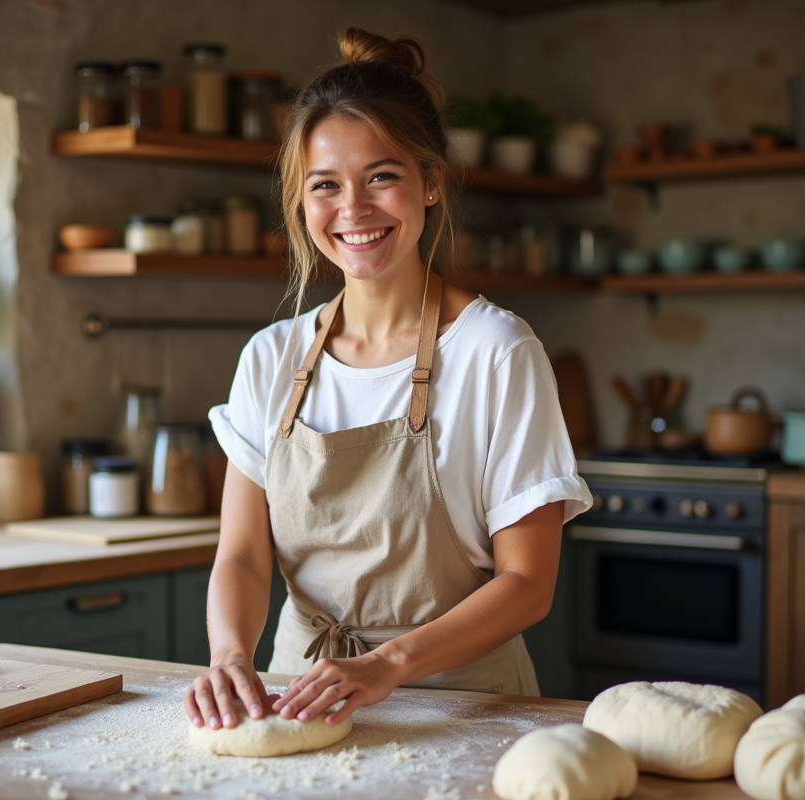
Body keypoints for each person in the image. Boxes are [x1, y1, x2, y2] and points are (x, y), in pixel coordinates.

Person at [184, 26, 591, 732]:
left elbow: (527, 584)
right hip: (295, 697)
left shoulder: (497, 351)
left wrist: (389, 665)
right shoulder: (271, 357)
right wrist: (228, 657)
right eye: (325, 186)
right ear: (301, 200)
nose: (354, 210)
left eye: (382, 176)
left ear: (431, 182)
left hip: (464, 705)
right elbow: (244, 555)